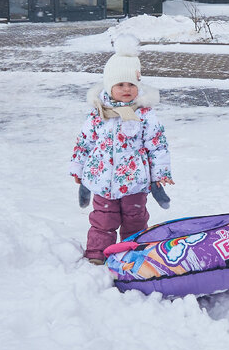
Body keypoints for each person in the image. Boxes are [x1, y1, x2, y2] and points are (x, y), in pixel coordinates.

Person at [69, 34, 172, 264]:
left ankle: (133, 253)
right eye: (120, 84)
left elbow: (157, 145)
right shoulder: (99, 113)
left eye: (131, 85)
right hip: (102, 181)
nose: (126, 89)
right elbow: (85, 141)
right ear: (109, 86)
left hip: (134, 183)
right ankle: (97, 255)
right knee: (102, 220)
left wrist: (160, 174)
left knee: (135, 219)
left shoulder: (144, 114)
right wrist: (79, 168)